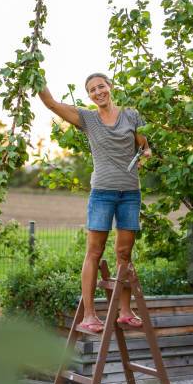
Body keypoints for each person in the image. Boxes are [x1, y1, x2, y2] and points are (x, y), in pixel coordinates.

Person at [38, 72, 151, 333]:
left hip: (130, 194)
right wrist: (35, 76)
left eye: (101, 86)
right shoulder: (87, 118)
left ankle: (125, 311)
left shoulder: (132, 115)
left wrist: (145, 155)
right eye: (92, 90)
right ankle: (89, 315)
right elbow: (53, 104)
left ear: (110, 87)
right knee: (94, 252)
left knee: (124, 253)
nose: (98, 92)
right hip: (102, 193)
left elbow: (144, 147)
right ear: (89, 95)